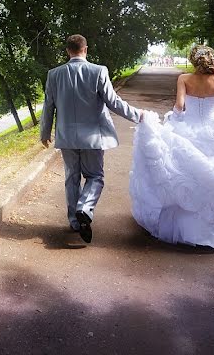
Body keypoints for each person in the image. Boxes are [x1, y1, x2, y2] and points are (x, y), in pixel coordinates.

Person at [129, 45, 214, 248]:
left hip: (189, 127)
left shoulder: (184, 79)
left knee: (183, 171)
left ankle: (186, 222)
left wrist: (172, 118)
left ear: (194, 61)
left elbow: (178, 106)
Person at [39, 34, 145, 243]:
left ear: (68, 51)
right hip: (93, 137)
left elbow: (48, 106)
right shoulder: (98, 71)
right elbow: (113, 102)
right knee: (95, 176)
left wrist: (44, 133)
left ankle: (75, 221)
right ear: (85, 49)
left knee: (72, 178)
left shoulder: (54, 75)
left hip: (67, 137)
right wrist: (137, 115)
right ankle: (84, 207)